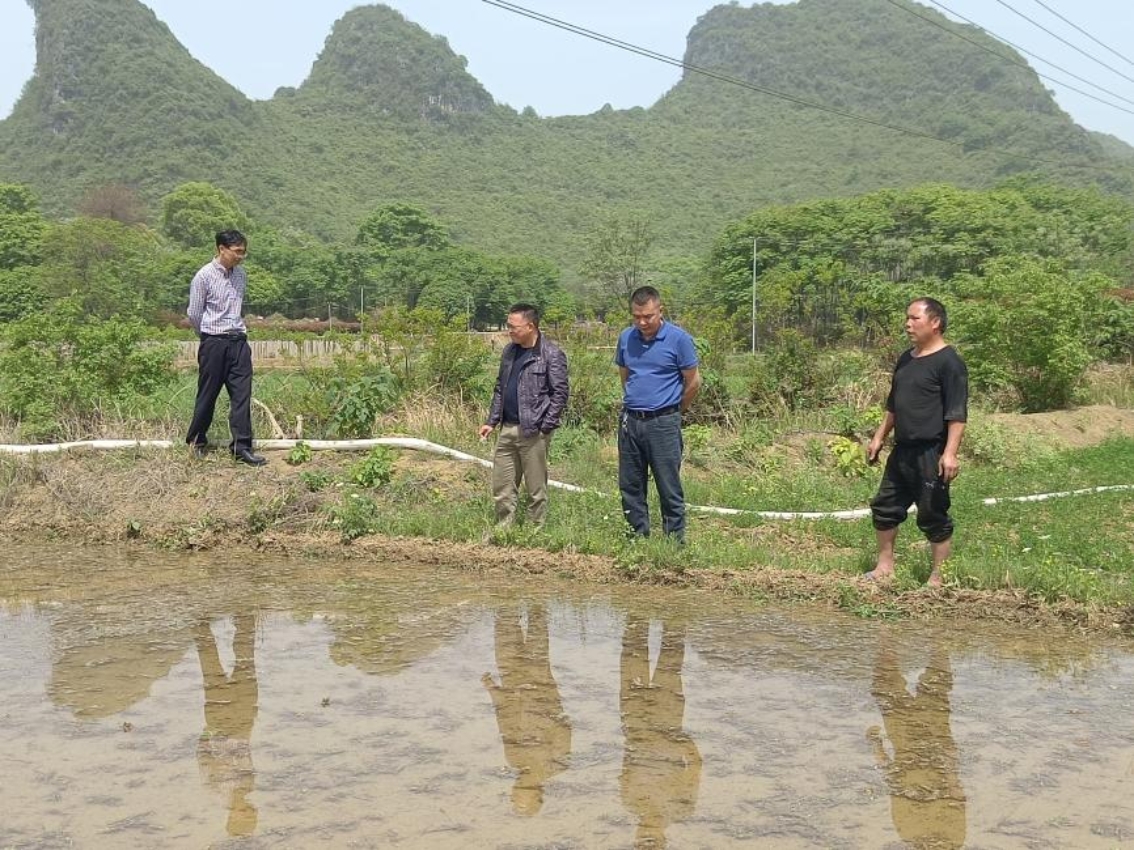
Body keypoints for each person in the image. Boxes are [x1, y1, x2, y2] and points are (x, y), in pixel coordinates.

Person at [866, 297, 968, 587]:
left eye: (914, 319)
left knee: (932, 513)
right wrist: (878, 437)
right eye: (907, 319)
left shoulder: (950, 362)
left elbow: (957, 413)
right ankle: (884, 568)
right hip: (902, 452)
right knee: (885, 507)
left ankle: (938, 577)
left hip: (931, 452)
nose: (907, 324)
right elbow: (893, 404)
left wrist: (949, 454)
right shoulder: (906, 358)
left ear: (935, 323)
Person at [615, 286, 701, 542]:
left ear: (660, 311)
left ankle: (674, 542)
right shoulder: (626, 338)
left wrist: (674, 410)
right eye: (637, 316)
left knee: (668, 485)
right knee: (630, 485)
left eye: (648, 316)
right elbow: (625, 376)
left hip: (663, 422)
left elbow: (694, 382)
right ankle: (636, 537)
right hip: (631, 422)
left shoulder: (679, 339)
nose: (642, 322)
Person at [478, 303, 569, 527]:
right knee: (503, 485)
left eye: (513, 326)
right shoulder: (509, 352)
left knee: (535, 488)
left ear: (530, 326)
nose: (509, 331)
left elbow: (560, 393)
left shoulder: (550, 354)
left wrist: (545, 426)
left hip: (534, 430)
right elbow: (501, 387)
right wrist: (492, 421)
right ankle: (504, 529)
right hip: (507, 428)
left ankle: (533, 532)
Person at [185, 229, 266, 466]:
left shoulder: (240, 276)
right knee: (208, 394)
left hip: (238, 342)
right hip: (214, 343)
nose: (241, 256)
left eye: (244, 252)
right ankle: (196, 441)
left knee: (242, 395)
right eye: (237, 251)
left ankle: (242, 447)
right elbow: (194, 313)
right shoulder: (204, 276)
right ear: (222, 249)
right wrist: (208, 337)